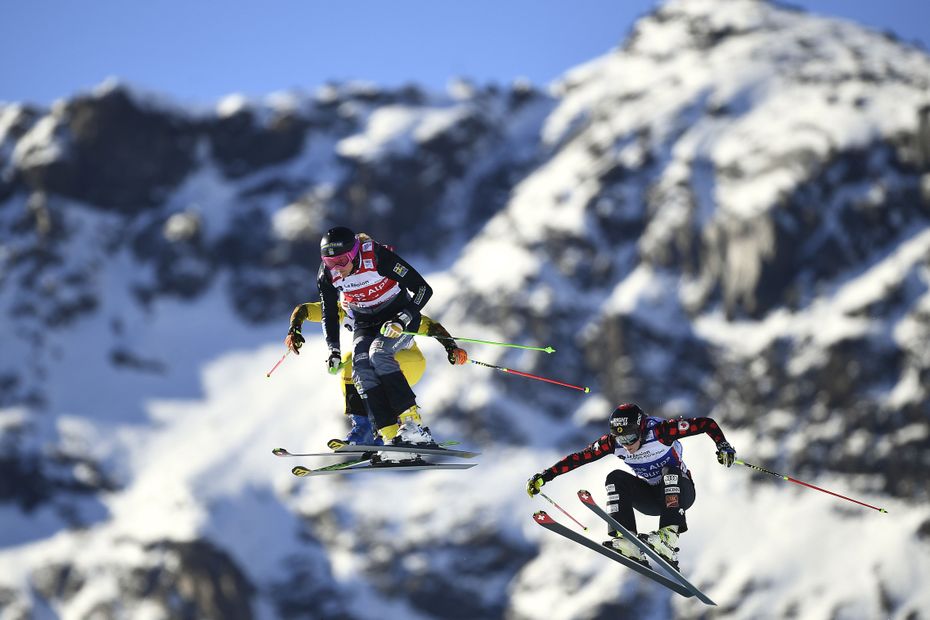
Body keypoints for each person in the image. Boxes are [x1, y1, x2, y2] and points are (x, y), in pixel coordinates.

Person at [526, 403, 736, 568]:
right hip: (651, 500)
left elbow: (706, 424)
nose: (626, 444)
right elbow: (579, 458)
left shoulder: (662, 431)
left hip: (681, 493)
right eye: (621, 437)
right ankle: (627, 540)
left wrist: (723, 445)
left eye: (631, 436)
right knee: (615, 477)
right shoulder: (613, 443)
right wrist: (545, 476)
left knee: (669, 472)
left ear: (641, 427)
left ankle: (668, 538)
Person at [294, 226, 440, 460]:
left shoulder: (378, 258)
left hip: (399, 317)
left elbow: (423, 289)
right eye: (330, 262)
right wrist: (333, 350)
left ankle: (415, 427)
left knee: (378, 354)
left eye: (341, 260)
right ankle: (390, 436)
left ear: (353, 253)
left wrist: (402, 320)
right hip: (366, 322)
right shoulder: (327, 275)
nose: (337, 268)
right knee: (360, 367)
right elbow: (329, 313)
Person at [284, 299, 468, 447]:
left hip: (409, 362)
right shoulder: (347, 310)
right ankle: (367, 429)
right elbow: (305, 309)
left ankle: (409, 427)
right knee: (353, 361)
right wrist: (295, 329)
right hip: (378, 363)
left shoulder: (389, 311)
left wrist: (451, 347)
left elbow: (430, 326)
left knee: (374, 362)